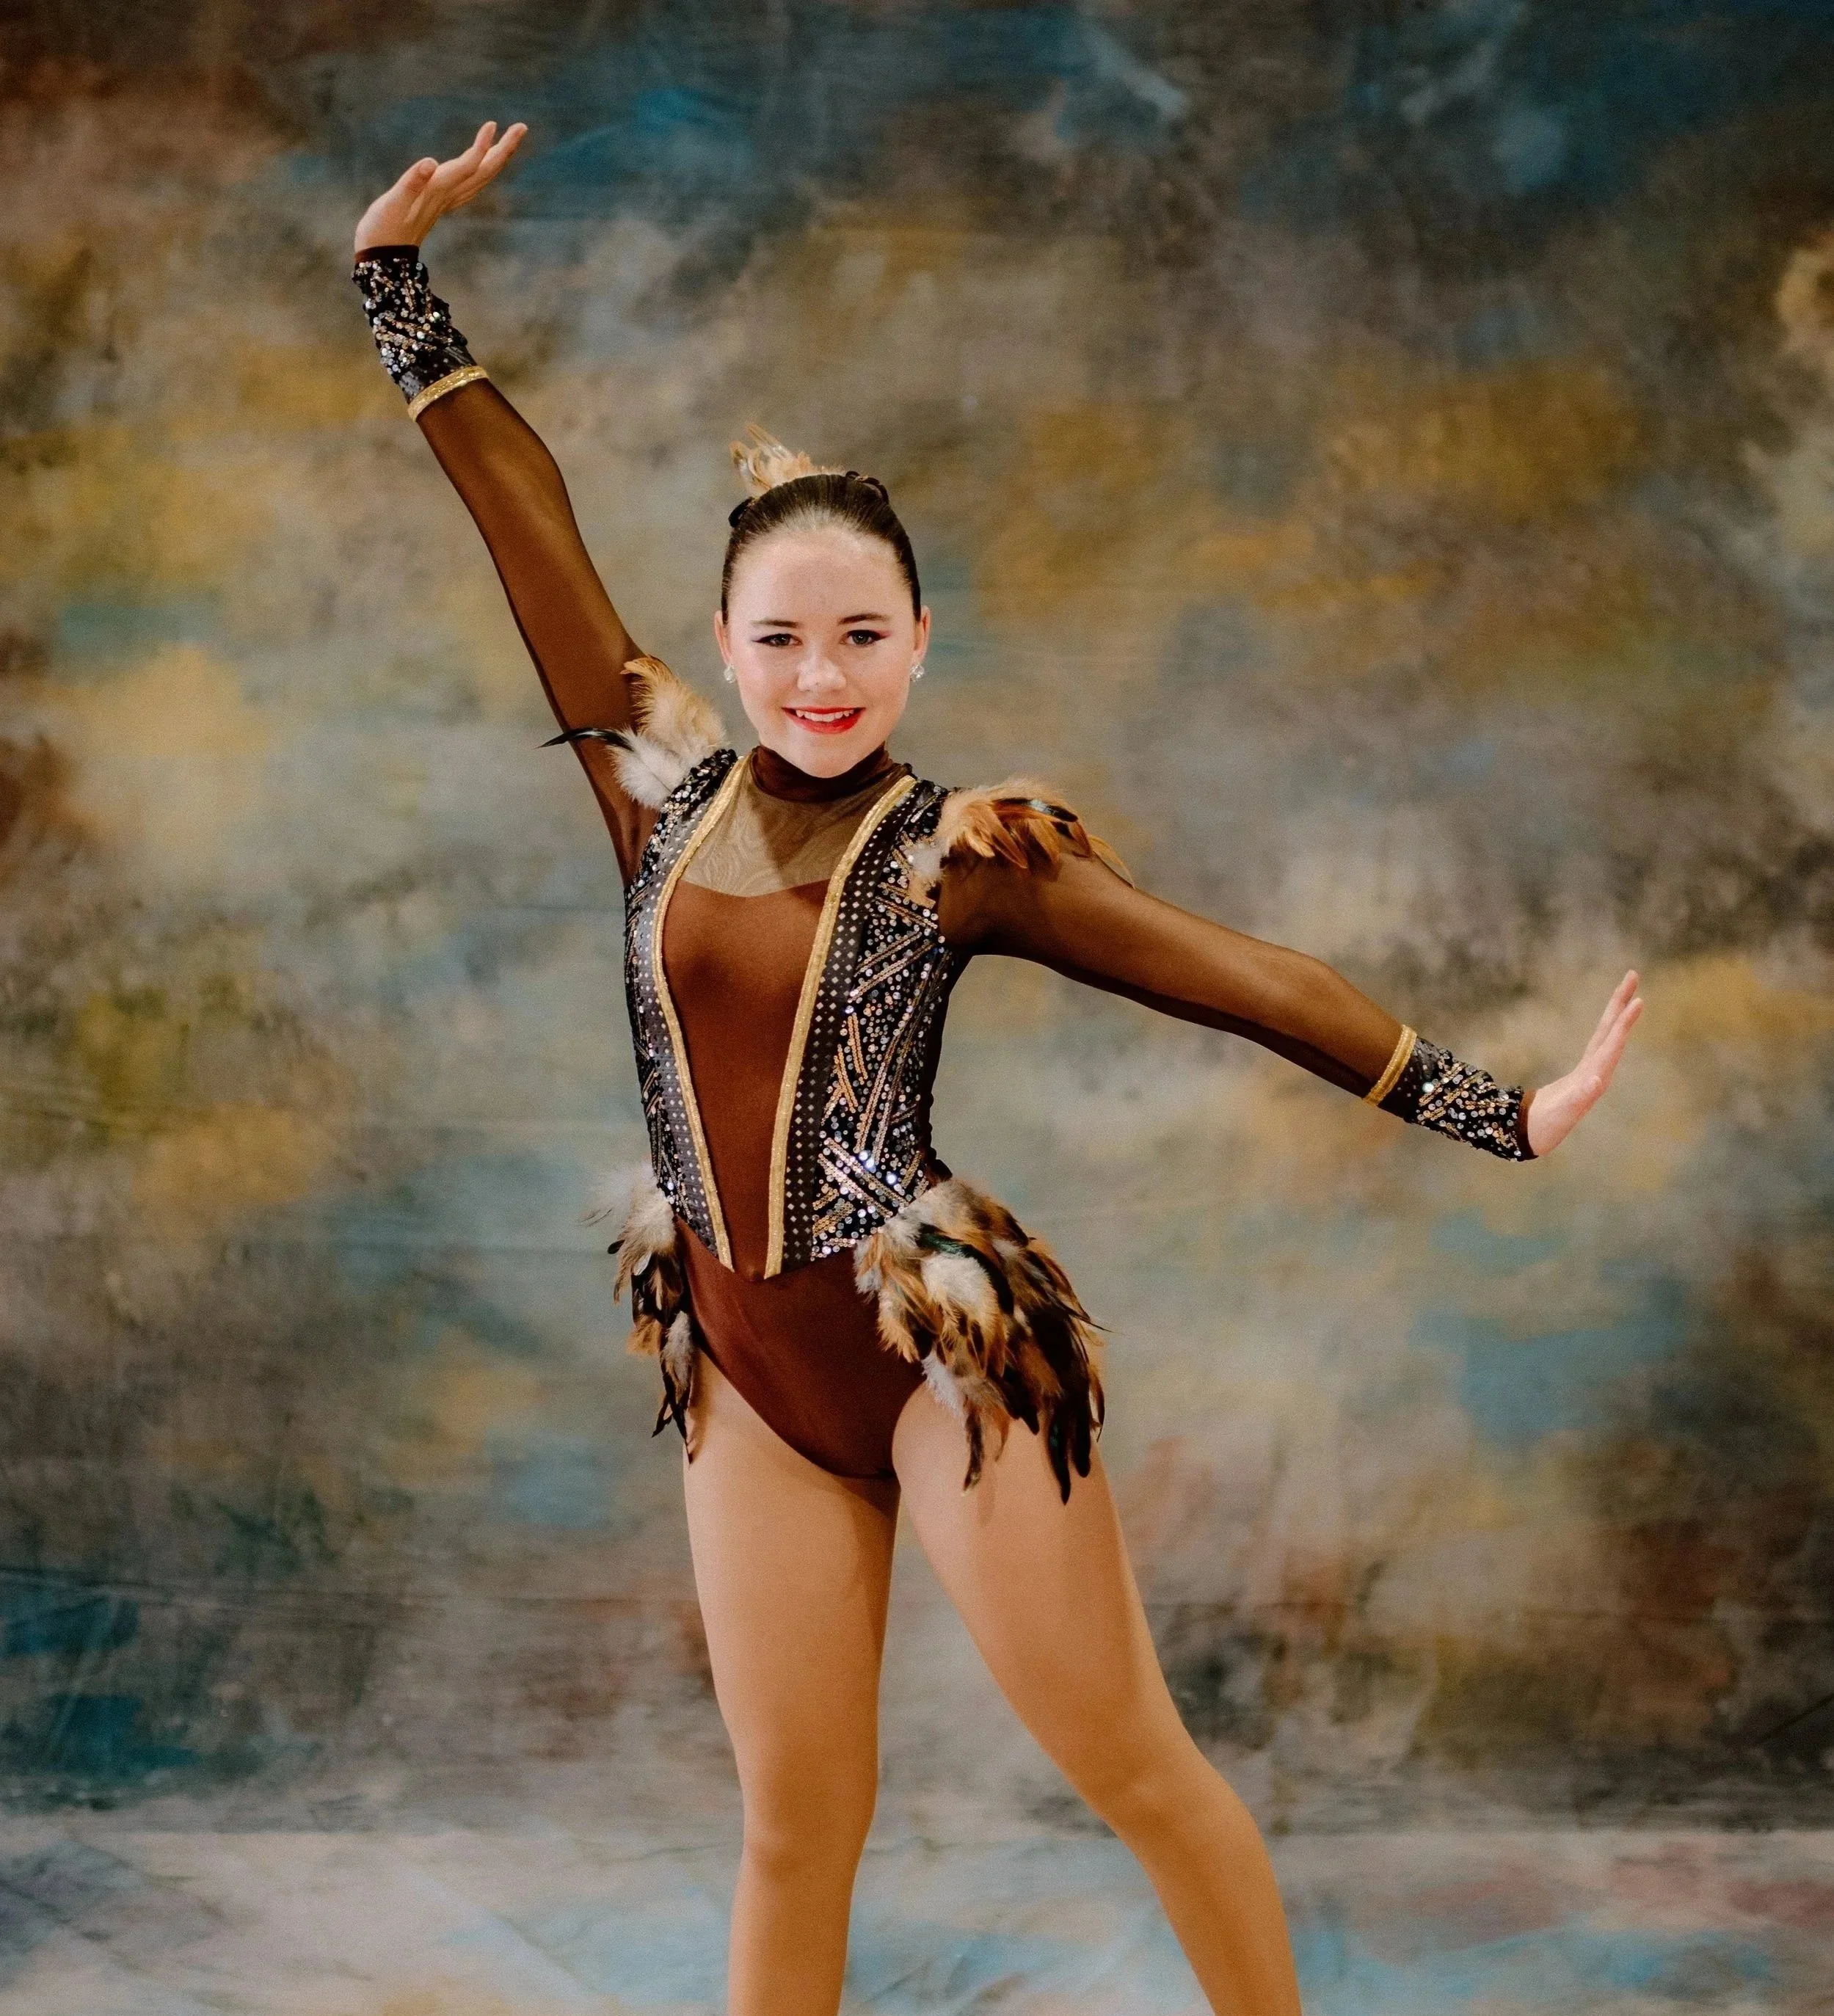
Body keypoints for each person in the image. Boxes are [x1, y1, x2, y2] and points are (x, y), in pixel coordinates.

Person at [351, 123, 1642, 2016]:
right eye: (781, 637)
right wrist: (394, 283)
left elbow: (1238, 976)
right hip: (744, 1365)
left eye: (862, 635)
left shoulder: (967, 852)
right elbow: (527, 524)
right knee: (796, 1829)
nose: (819, 674)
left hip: (940, 1357)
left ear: (920, 644)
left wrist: (1496, 1108)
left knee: (1132, 1769)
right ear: (720, 641)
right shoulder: (653, 789)